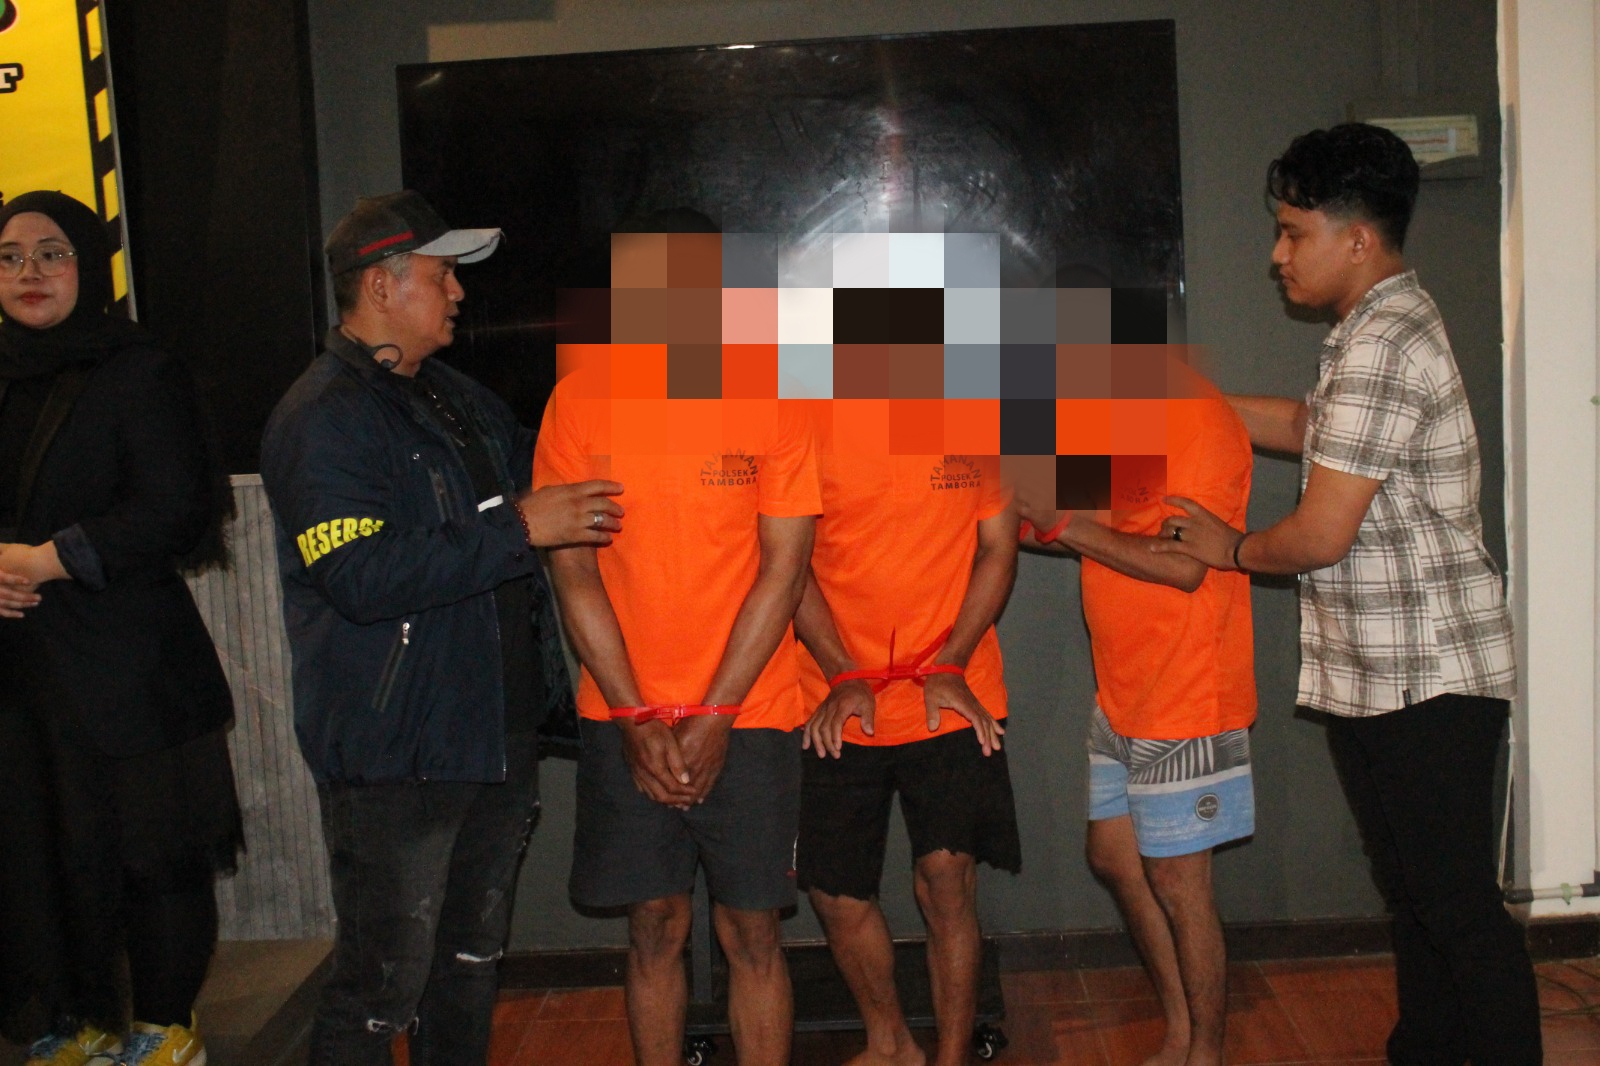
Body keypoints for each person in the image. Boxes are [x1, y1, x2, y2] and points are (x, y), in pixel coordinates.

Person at [1154, 123, 1541, 1064]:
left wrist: (1231, 548)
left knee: (1452, 905)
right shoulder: (1372, 329)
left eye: (1294, 233)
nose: (1277, 255)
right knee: (1416, 897)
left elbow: (1321, 533)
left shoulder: (1381, 342)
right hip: (1386, 675)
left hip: (1427, 679)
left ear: (1358, 238)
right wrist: (1188, 400)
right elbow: (1308, 426)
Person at [259, 190, 624, 1066]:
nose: (459, 293)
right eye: (442, 274)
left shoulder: (457, 398)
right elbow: (359, 577)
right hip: (397, 756)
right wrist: (522, 526)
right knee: (380, 990)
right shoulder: (322, 417)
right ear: (381, 285)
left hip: (491, 738)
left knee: (466, 971)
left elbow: (550, 475)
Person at [534, 223, 820, 1066]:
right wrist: (633, 715)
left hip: (753, 711)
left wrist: (719, 712)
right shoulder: (580, 402)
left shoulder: (775, 399)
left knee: (752, 932)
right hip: (624, 711)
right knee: (655, 925)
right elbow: (573, 573)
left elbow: (784, 571)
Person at [0, 190, 242, 1066]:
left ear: (90, 266)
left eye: (52, 253)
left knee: (152, 854)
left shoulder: (140, 370)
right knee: (40, 857)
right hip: (22, 679)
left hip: (132, 672)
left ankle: (165, 1024)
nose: (29, 272)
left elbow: (176, 508)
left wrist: (49, 560)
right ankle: (74, 1020)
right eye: (9, 257)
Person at [1013, 357, 1255, 1066]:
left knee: (1180, 880)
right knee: (1116, 858)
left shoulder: (1195, 418)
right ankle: (1180, 1034)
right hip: (1125, 687)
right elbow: (1081, 521)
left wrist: (1059, 520)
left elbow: (1185, 565)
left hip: (1188, 690)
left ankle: (1205, 1053)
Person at [793, 445, 1019, 1066]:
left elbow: (998, 548)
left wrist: (953, 659)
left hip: (954, 686)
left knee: (948, 879)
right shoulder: (805, 422)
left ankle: (950, 1057)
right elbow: (788, 560)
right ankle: (890, 1043)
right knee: (835, 892)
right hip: (833, 690)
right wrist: (841, 671)